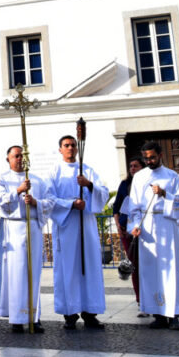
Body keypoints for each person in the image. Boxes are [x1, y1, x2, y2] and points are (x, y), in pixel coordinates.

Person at [47, 135, 108, 330]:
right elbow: (48, 199)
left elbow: (103, 192)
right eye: (66, 145)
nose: (71, 148)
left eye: (73, 145)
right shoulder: (54, 172)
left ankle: (90, 313)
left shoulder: (87, 170)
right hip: (66, 226)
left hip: (86, 224)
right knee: (68, 268)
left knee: (89, 266)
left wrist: (89, 185)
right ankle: (70, 313)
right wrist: (71, 204)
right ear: (60, 149)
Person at [124, 140, 179, 330]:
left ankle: (173, 314)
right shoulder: (139, 177)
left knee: (170, 270)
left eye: (152, 157)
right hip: (147, 227)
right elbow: (133, 205)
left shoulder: (172, 176)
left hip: (166, 224)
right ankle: (158, 313)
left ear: (160, 155)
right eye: (146, 158)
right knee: (150, 271)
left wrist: (165, 194)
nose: (149, 161)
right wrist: (134, 225)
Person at [0, 145, 53, 333]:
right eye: (16, 156)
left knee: (33, 273)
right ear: (8, 159)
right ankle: (17, 318)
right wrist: (18, 190)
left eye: (22, 156)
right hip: (13, 228)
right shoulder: (3, 180)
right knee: (16, 274)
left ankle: (34, 316)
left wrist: (36, 202)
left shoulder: (37, 180)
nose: (19, 159)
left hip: (32, 227)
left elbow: (50, 202)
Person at [112, 157, 144, 307]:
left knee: (147, 264)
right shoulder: (125, 184)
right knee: (134, 264)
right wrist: (118, 225)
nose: (132, 169)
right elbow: (116, 207)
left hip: (144, 229)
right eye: (130, 166)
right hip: (127, 230)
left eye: (136, 166)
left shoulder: (146, 183)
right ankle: (140, 299)